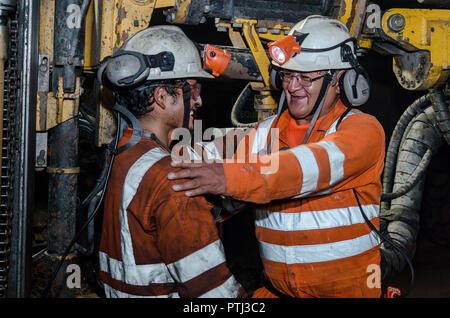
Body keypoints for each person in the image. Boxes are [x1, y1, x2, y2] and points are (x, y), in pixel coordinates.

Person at [168, 16, 386, 298]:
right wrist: (158, 155)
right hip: (277, 292)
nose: (292, 86)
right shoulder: (266, 133)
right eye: (286, 74)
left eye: (306, 77)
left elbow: (303, 168)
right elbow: (205, 153)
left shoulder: (362, 131)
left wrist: (226, 177)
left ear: (342, 82)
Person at [97, 25, 246, 298]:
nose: (199, 100)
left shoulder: (121, 155)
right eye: (192, 88)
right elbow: (215, 295)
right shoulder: (172, 180)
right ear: (162, 97)